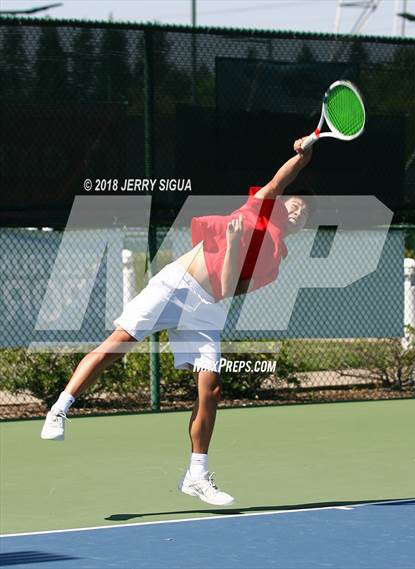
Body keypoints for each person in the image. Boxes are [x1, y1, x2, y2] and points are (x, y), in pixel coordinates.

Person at [41, 136, 314, 506]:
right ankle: (60, 408)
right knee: (117, 345)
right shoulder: (262, 205)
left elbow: (228, 285)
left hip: (208, 306)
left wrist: (233, 246)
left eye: (305, 214)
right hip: (177, 284)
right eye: (295, 205)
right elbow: (281, 179)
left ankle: (196, 475)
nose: (298, 211)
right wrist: (302, 157)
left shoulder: (273, 264)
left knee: (212, 386)